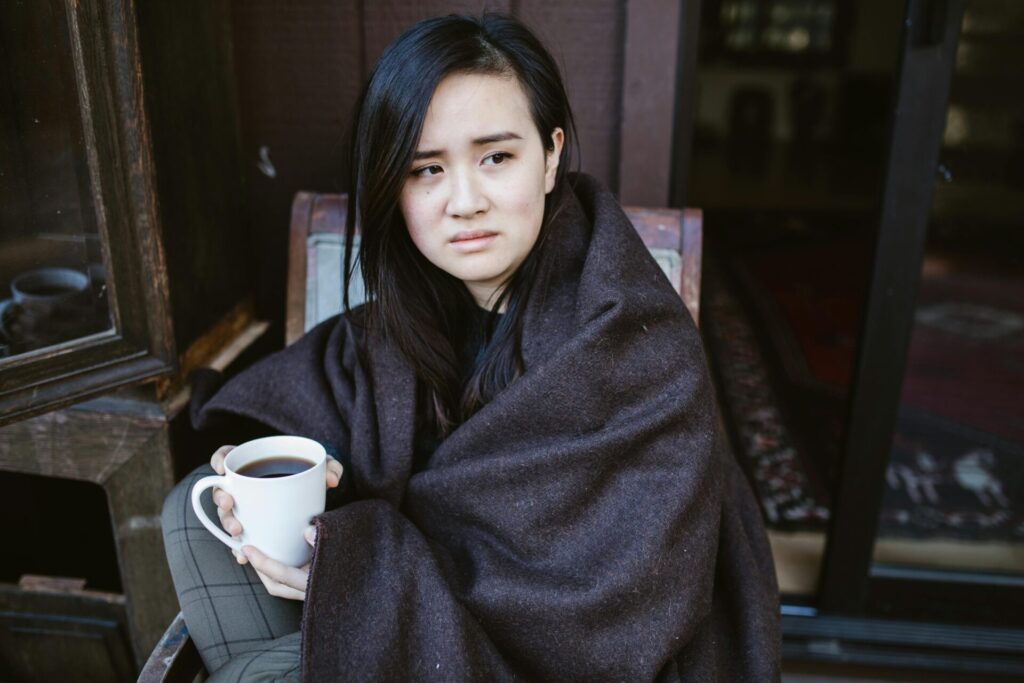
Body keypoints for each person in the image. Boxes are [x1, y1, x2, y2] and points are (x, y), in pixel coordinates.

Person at [161, 12, 781, 682]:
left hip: (561, 660)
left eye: (496, 157)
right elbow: (322, 401)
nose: (464, 200)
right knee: (192, 514)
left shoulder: (632, 343)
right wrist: (265, 476)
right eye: (427, 168)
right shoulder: (414, 311)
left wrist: (355, 577)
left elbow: (600, 611)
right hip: (436, 621)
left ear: (550, 155)